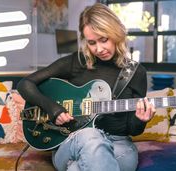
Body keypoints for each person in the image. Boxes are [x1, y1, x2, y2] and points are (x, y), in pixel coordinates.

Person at [17, 3, 156, 171]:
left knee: (77, 168)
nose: (99, 48)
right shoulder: (77, 62)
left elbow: (133, 130)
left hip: (119, 146)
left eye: (104, 39)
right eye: (91, 42)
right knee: (91, 135)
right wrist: (54, 109)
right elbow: (25, 84)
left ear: (116, 33)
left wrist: (141, 119)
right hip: (73, 143)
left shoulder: (136, 72)